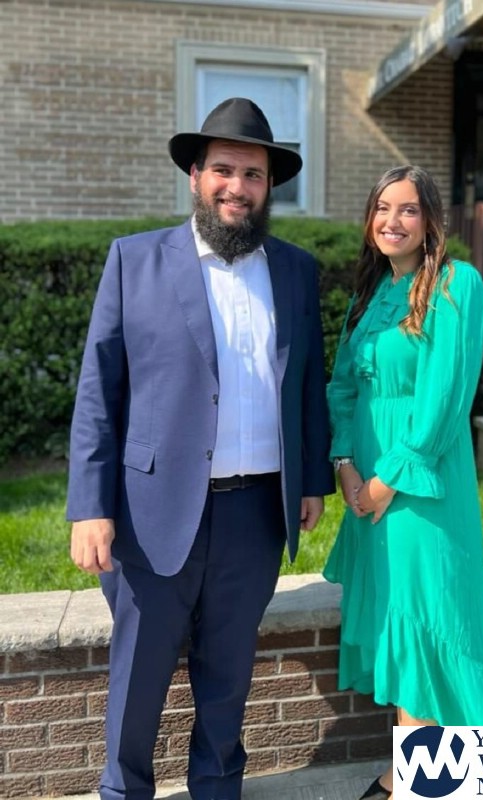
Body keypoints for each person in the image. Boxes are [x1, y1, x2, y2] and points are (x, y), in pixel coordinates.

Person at [66, 97, 335, 800]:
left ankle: (217, 789)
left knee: (228, 679)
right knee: (139, 678)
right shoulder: (133, 260)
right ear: (195, 174)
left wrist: (310, 479)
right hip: (151, 513)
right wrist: (89, 507)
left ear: (269, 186)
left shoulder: (295, 271)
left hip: (255, 514)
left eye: (253, 174)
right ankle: (124, 791)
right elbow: (99, 391)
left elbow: (308, 382)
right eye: (223, 170)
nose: (237, 187)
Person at [323, 165, 483, 800]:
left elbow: (444, 402)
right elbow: (341, 390)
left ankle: (425, 780)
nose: (393, 221)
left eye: (407, 209)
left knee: (435, 622)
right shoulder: (368, 295)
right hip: (367, 489)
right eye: (382, 208)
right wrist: (346, 466)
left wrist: (386, 483)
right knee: (401, 623)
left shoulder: (457, 284)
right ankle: (418, 777)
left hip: (422, 489)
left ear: (431, 220)